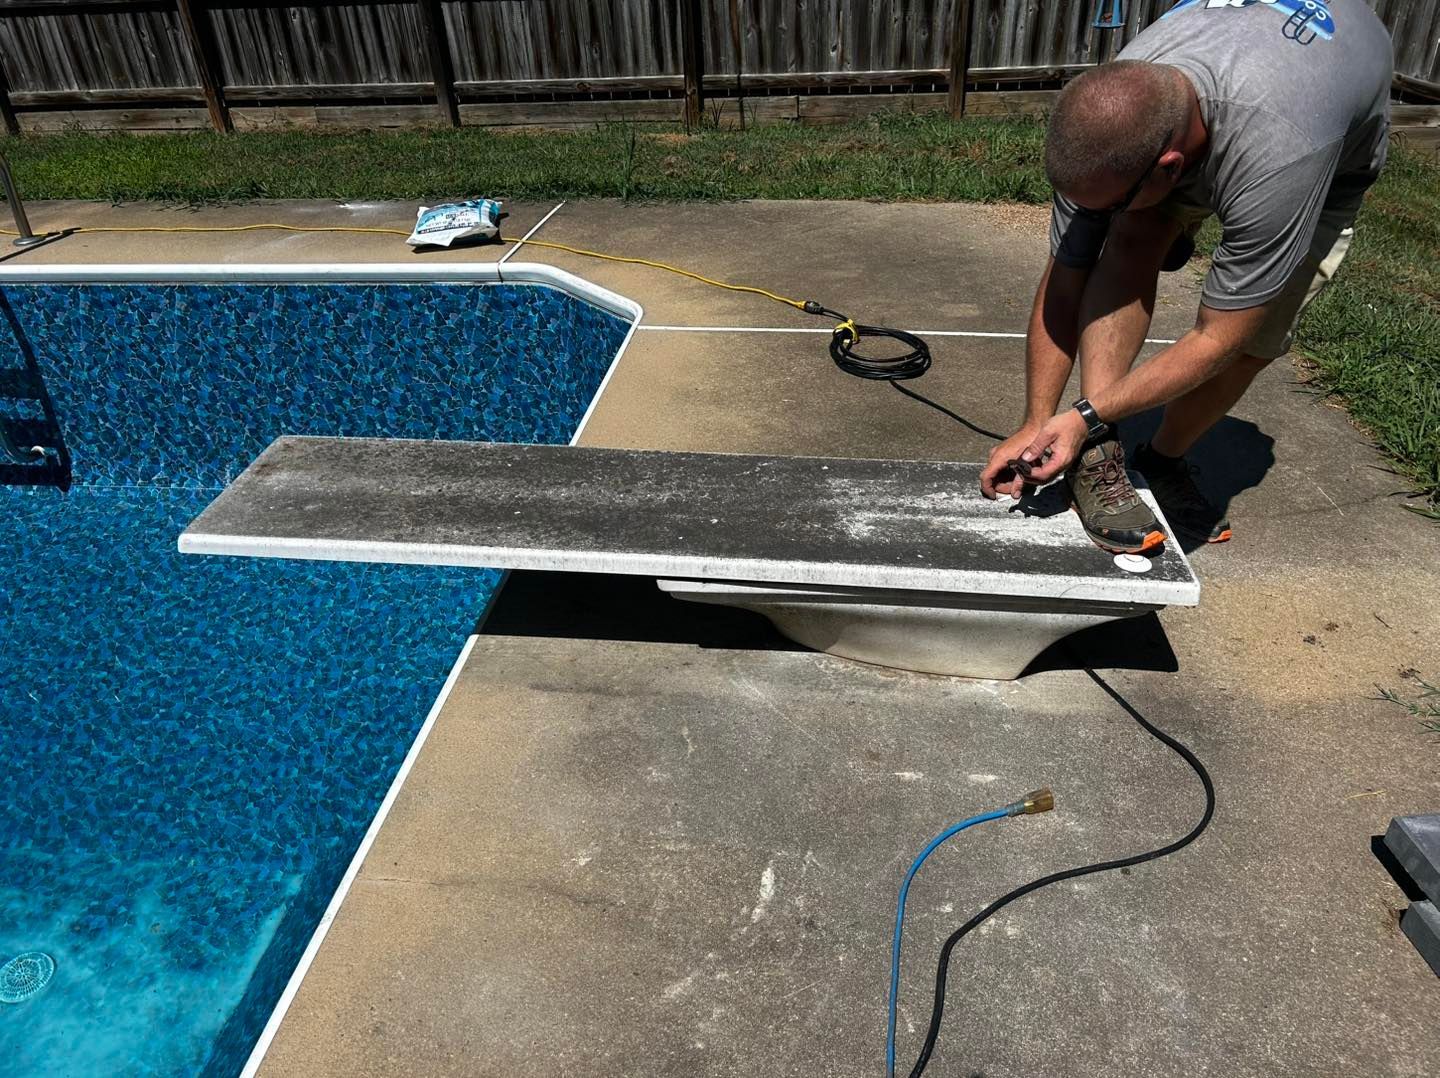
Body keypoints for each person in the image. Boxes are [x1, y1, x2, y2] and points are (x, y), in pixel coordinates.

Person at [978, 0, 1393, 553]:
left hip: (1321, 145)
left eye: (1109, 202)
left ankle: (1163, 459)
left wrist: (1078, 414)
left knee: (1256, 334)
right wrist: (1038, 422)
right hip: (1224, 104)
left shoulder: (1281, 152)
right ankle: (1098, 449)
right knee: (1131, 231)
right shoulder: (1116, 111)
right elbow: (1067, 274)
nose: (1093, 213)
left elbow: (1220, 336)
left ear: (1172, 168)